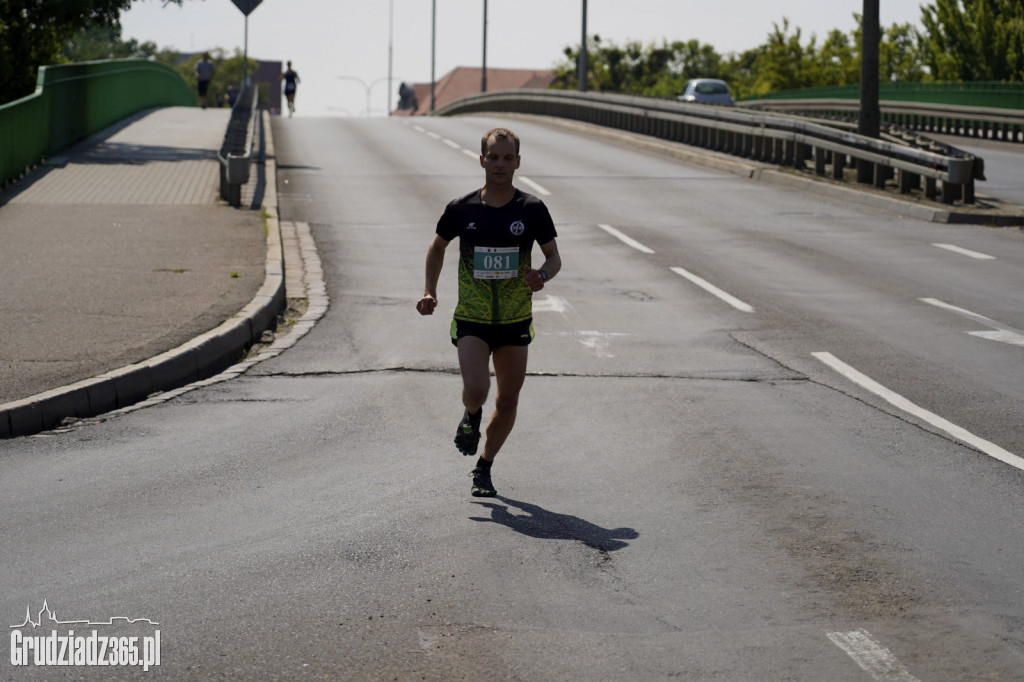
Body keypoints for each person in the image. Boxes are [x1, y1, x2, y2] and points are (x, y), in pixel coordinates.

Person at [417, 128, 561, 497]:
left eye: (507, 158)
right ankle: (471, 414)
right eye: (493, 157)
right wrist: (429, 291)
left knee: (508, 401)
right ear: (481, 160)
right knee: (477, 390)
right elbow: (436, 248)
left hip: (515, 319)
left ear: (517, 162)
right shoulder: (462, 209)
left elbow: (553, 257)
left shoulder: (531, 209)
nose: (500, 164)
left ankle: (485, 466)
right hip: (473, 318)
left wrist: (540, 275)